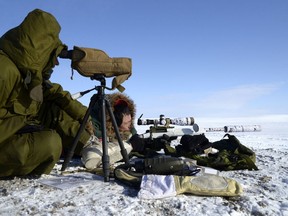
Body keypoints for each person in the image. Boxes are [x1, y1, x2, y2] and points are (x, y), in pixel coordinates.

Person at [0, 9, 94, 177]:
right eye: (53, 55)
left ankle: (92, 146)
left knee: (53, 110)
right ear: (40, 50)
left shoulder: (28, 72)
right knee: (51, 143)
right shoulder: (4, 70)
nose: (56, 63)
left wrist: (84, 116)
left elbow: (55, 94)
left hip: (13, 128)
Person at [81, 92, 138, 170]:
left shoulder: (122, 115)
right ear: (114, 122)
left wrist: (135, 137)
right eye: (125, 123)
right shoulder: (93, 121)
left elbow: (131, 131)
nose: (130, 126)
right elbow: (98, 137)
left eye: (130, 121)